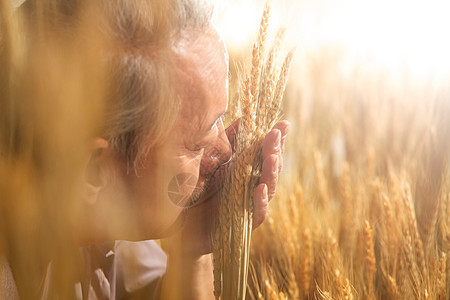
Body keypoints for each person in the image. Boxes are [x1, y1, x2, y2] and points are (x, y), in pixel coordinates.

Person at [4, 0, 290, 298]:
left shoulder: (107, 236)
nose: (226, 152)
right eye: (199, 142)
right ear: (94, 170)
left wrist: (191, 249)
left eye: (220, 121)